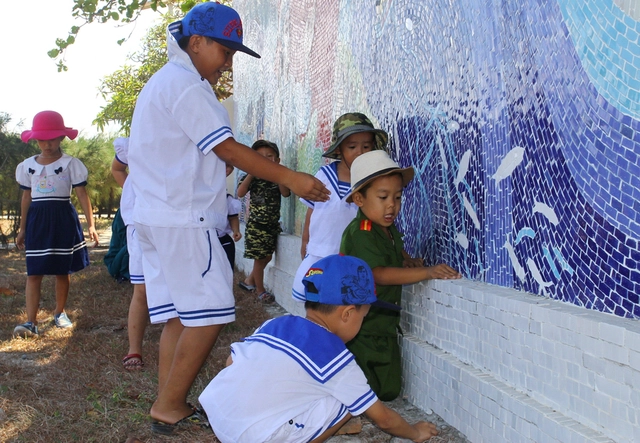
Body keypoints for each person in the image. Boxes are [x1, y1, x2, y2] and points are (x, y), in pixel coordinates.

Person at [126, 2, 329, 434]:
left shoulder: (164, 83)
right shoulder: (186, 86)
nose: (228, 65)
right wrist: (289, 177)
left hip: (156, 217)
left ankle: (168, 400)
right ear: (195, 43)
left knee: (182, 316)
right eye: (226, 52)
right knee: (213, 311)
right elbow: (229, 150)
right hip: (183, 219)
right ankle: (169, 404)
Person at [199, 254, 439, 443]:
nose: (362, 322)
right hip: (255, 437)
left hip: (217, 413)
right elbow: (383, 419)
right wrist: (415, 432)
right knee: (350, 399)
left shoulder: (276, 323)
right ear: (347, 314)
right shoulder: (335, 356)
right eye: (363, 316)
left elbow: (231, 362)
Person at [340, 150, 461, 401]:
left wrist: (405, 259)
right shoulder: (361, 232)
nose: (391, 205)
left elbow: (392, 246)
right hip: (360, 328)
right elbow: (379, 274)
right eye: (383, 197)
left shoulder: (385, 227)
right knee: (360, 391)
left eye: (397, 196)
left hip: (384, 324)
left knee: (389, 390)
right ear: (360, 199)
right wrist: (426, 272)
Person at [13, 111, 100, 338]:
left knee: (62, 270)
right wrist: (22, 229)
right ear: (35, 140)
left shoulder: (71, 164)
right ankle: (31, 322)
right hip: (37, 220)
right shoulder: (27, 166)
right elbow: (26, 198)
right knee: (34, 272)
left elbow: (82, 195)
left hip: (62, 218)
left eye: (51, 139)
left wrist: (90, 224)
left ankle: (60, 312)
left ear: (61, 138)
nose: (46, 144)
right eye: (41, 139)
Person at [292, 112, 387, 302]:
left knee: (344, 303)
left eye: (367, 146)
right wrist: (305, 241)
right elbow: (312, 209)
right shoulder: (324, 175)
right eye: (352, 146)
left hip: (354, 258)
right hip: (320, 253)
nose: (360, 152)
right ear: (339, 150)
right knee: (316, 302)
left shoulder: (372, 182)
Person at [110, 137, 148, 371]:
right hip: (139, 224)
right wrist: (130, 190)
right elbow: (117, 167)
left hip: (176, 222)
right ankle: (134, 348)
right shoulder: (132, 143)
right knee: (141, 289)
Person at [237, 140, 290, 303]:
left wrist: (279, 174)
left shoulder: (278, 176)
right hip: (256, 225)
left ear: (277, 159)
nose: (265, 159)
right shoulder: (250, 176)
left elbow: (286, 193)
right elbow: (240, 192)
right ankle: (260, 291)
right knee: (259, 260)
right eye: (259, 157)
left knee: (266, 257)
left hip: (272, 225)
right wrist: (252, 172)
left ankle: (249, 281)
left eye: (269, 156)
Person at [218, 162, 242, 270]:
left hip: (223, 241)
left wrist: (236, 230)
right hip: (200, 242)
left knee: (225, 272)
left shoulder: (227, 199)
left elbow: (232, 217)